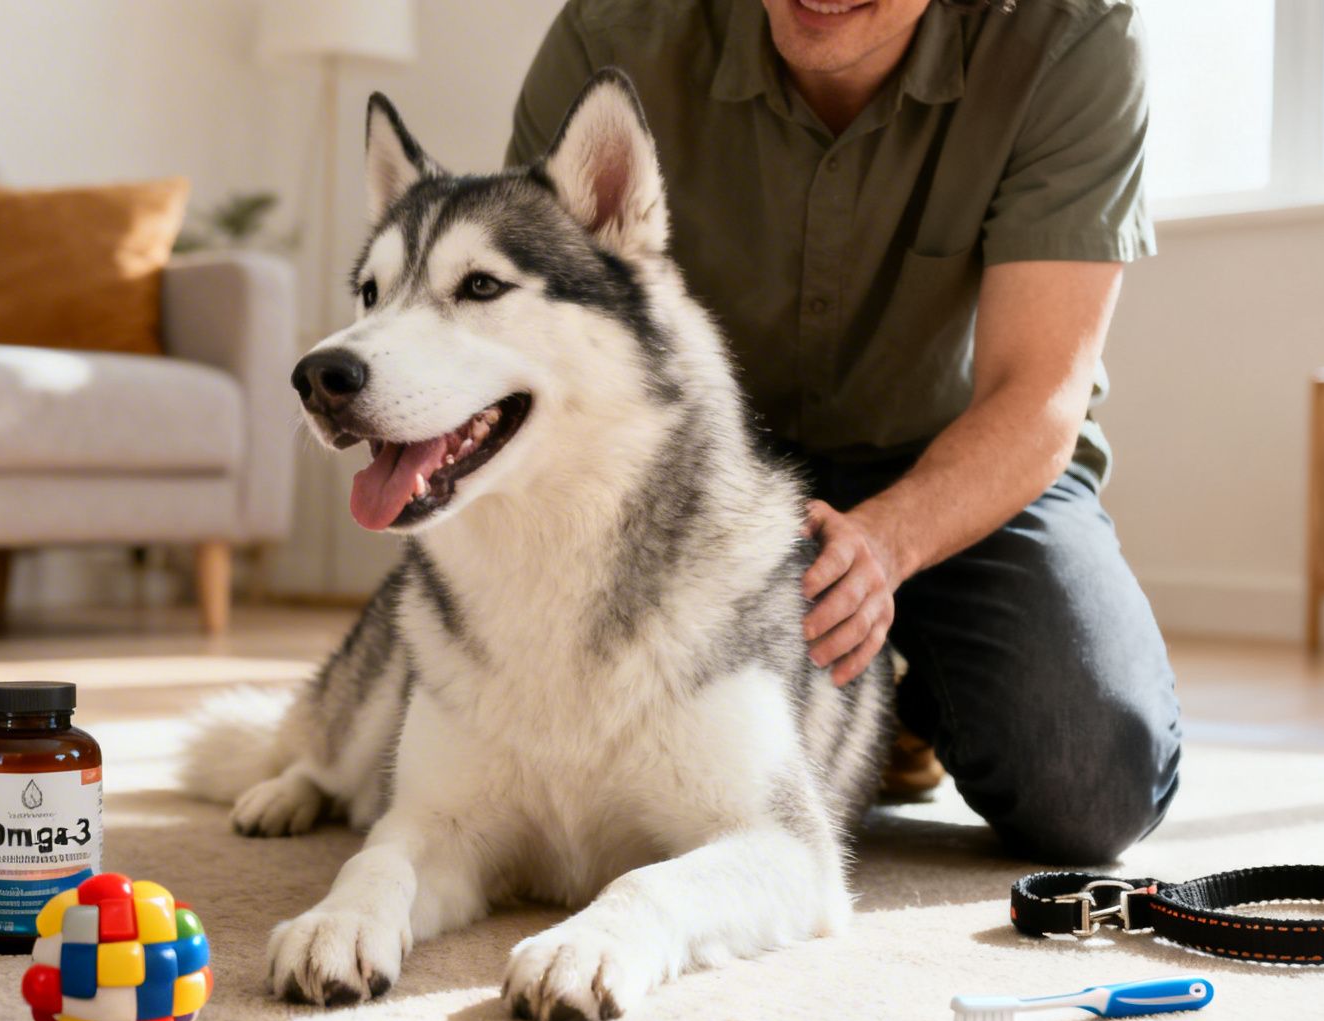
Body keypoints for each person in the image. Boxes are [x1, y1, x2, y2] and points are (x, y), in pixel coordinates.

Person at [505, 0, 1179, 863]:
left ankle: (908, 690)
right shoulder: (611, 36)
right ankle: (867, 696)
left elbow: (1036, 394)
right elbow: (543, 348)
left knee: (1091, 785)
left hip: (954, 469)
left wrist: (887, 547)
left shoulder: (1074, 39)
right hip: (696, 466)